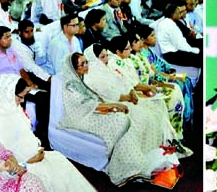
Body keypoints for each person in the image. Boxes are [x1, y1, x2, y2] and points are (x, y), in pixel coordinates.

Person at [0, 75, 111, 192]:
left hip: (34, 156)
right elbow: (3, 154)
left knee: (62, 165)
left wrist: (37, 149)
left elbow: (26, 136)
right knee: (55, 179)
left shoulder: (12, 108)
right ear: (7, 94)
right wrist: (29, 160)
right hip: (19, 167)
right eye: (19, 97)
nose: (22, 101)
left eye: (23, 97)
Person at [59, 50, 179, 185]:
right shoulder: (71, 85)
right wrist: (112, 106)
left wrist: (113, 106)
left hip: (94, 111)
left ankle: (139, 159)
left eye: (86, 62)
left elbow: (97, 100)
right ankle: (128, 167)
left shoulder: (82, 80)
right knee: (120, 120)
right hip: (82, 116)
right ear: (74, 68)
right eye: (82, 64)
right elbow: (85, 106)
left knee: (126, 116)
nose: (87, 66)